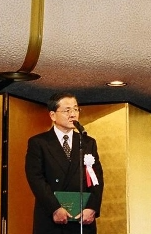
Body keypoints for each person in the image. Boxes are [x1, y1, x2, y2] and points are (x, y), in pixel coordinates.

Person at [25, 92, 104, 233]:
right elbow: (36, 178)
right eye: (67, 110)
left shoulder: (87, 142)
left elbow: (97, 179)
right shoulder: (39, 142)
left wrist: (92, 207)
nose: (73, 114)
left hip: (82, 218)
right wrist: (55, 208)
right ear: (53, 115)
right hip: (51, 217)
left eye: (76, 109)